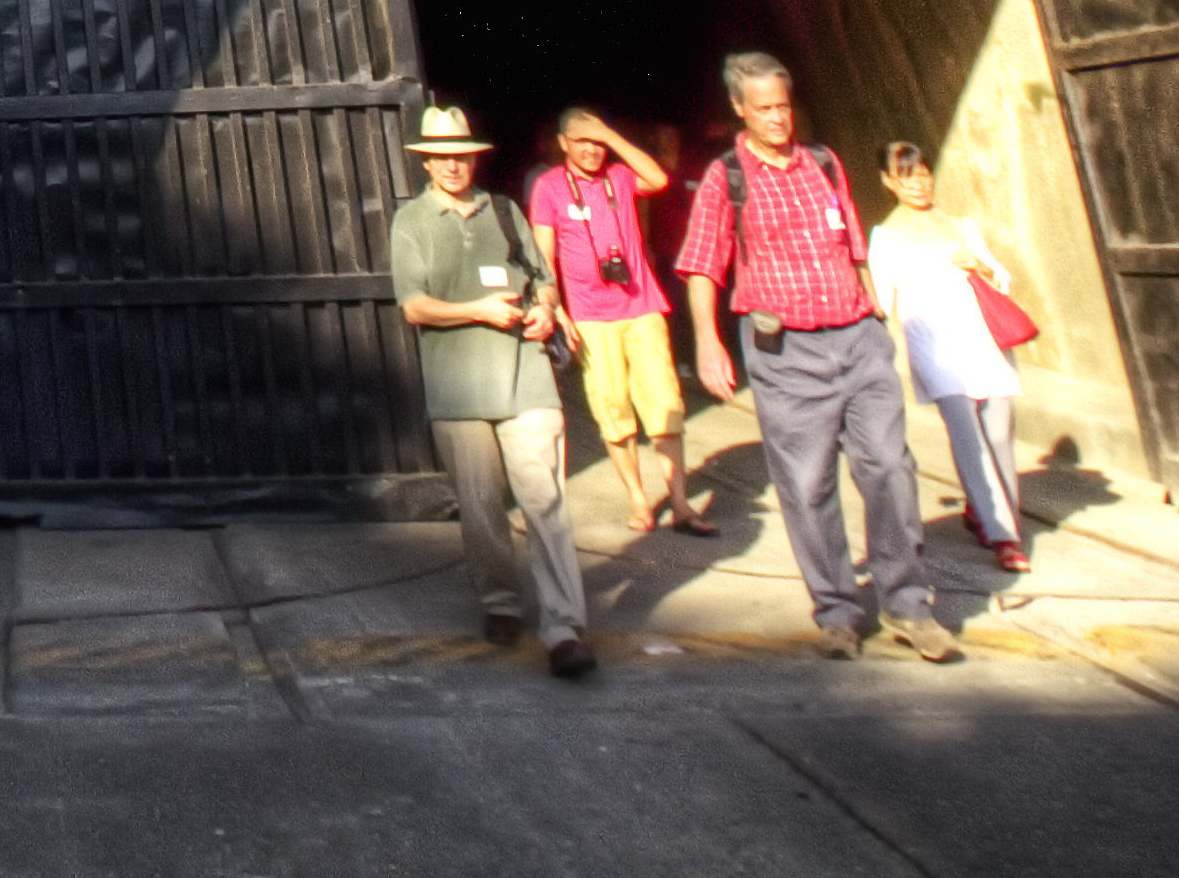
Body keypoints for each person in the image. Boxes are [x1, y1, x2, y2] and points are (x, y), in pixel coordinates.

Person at [674, 51, 959, 662]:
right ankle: (836, 611)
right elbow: (701, 267)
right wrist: (707, 342)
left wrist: (878, 315)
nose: (779, 118)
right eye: (765, 108)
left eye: (784, 104)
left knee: (890, 468)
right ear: (739, 109)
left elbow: (855, 247)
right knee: (807, 485)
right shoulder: (726, 179)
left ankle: (908, 604)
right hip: (787, 351)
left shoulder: (824, 164)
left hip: (857, 336)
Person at [388, 100, 594, 676]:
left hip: (524, 373)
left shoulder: (504, 212)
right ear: (426, 163)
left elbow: (544, 281)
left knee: (546, 502)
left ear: (473, 160)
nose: (452, 166)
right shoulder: (412, 222)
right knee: (480, 508)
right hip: (458, 387)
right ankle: (500, 600)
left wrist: (547, 314)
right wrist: (478, 310)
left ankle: (563, 627)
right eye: (441, 157)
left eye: (461, 156)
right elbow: (415, 306)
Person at [524, 107, 708, 537]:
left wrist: (609, 133)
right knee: (613, 409)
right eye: (582, 141)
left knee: (665, 406)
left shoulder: (620, 177)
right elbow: (542, 257)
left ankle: (680, 503)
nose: (591, 150)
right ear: (563, 143)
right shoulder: (549, 188)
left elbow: (659, 179)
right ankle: (639, 500)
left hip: (642, 307)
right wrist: (555, 307)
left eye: (597, 143)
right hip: (591, 316)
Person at [867, 142, 1034, 573]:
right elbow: (881, 301)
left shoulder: (960, 225)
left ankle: (983, 513)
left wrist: (975, 263)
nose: (918, 183)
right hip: (933, 348)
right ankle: (1006, 536)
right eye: (906, 176)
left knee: (998, 434)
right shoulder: (884, 237)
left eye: (923, 173)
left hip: (982, 340)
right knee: (969, 438)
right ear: (889, 182)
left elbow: (1001, 276)